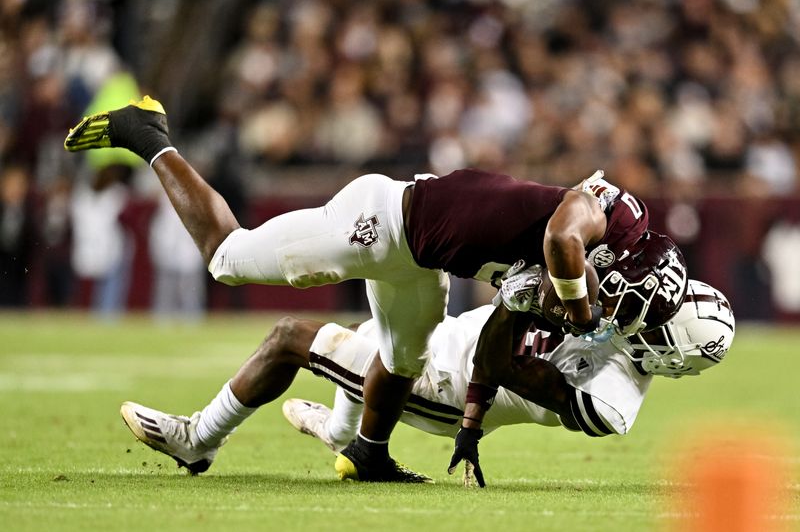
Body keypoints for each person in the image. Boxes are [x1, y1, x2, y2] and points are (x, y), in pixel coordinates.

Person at [64, 96, 683, 482]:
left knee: (403, 359)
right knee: (226, 258)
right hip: (382, 223)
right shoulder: (593, 225)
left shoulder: (601, 252)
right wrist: (576, 306)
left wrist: (471, 419)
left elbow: (507, 323)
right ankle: (147, 133)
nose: (608, 310)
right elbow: (562, 237)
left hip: (420, 260)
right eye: (617, 297)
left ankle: (368, 453)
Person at [118, 279, 734, 486]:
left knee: (290, 337)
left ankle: (198, 437)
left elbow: (503, 366)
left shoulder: (612, 403)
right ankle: (340, 434)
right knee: (367, 333)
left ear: (670, 356)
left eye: (658, 317)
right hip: (446, 338)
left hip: (444, 386)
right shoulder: (627, 318)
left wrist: (520, 300)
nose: (645, 308)